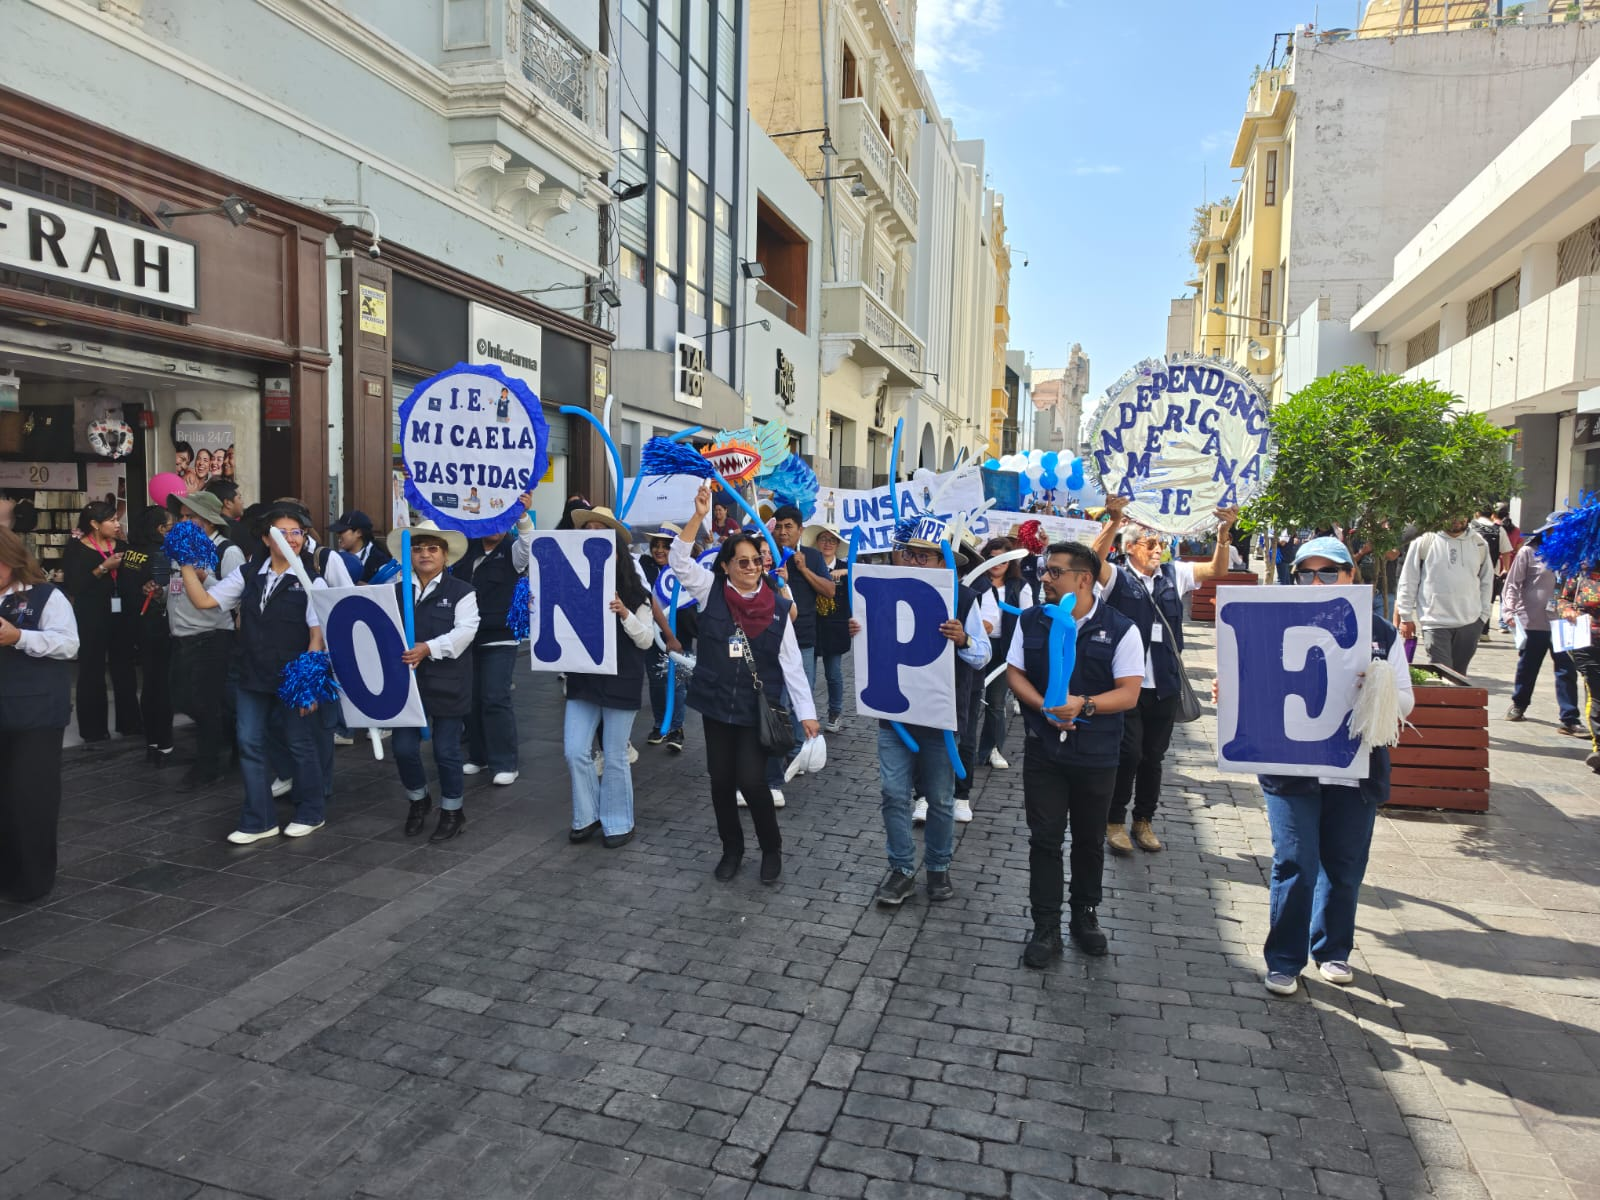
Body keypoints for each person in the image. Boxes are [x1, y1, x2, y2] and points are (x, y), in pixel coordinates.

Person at [1224, 536, 1414, 997]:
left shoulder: (1379, 632)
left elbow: (1404, 703)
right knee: (1295, 861)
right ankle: (1285, 959)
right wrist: (1234, 696)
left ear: (1351, 576)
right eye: (1306, 572)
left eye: (1328, 572)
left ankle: (1332, 950)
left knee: (1344, 864)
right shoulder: (1277, 623)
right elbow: (1252, 679)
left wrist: (1379, 686)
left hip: (1354, 772)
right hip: (1291, 772)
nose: (1316, 581)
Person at [672, 483, 818, 884]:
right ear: (726, 566)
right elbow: (679, 562)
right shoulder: (710, 590)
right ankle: (731, 849)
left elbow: (791, 664)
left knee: (753, 782)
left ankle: (771, 850)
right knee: (721, 782)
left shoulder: (777, 606)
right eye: (742, 562)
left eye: (756, 561)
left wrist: (807, 714)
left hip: (757, 710)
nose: (751, 567)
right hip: (717, 705)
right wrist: (699, 516)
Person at [1006, 540, 1143, 964]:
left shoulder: (1121, 627)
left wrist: (1083, 705)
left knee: (1087, 839)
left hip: (1097, 754)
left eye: (1053, 572)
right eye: (1043, 571)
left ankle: (1085, 915)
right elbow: (1015, 673)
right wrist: (1044, 707)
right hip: (1044, 751)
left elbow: (1130, 693)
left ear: (1083, 579)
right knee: (1044, 839)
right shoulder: (1032, 620)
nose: (1043, 579)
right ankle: (1045, 924)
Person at [852, 519, 990, 907]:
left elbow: (982, 657)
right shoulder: (882, 592)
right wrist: (858, 632)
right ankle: (900, 870)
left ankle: (938, 867)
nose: (915, 561)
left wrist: (962, 639)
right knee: (894, 793)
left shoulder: (963, 598)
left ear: (943, 562)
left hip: (941, 715)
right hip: (894, 714)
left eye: (925, 556)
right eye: (910, 553)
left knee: (941, 799)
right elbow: (869, 644)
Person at [1091, 496, 1238, 855]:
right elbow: (1091, 562)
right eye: (1151, 544)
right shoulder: (1117, 577)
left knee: (1153, 757)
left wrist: (1222, 536)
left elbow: (1216, 571)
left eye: (1162, 544)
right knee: (1129, 754)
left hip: (1165, 684)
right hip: (1127, 685)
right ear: (1131, 548)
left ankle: (1144, 820)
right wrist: (1113, 521)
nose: (1159, 550)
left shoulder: (1175, 574)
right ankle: (1114, 821)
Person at [179, 503, 330, 844]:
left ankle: (312, 811)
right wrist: (185, 562)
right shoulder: (249, 573)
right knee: (249, 742)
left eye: (298, 532)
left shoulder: (311, 579)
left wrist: (308, 682)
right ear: (266, 537)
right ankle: (259, 819)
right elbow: (204, 601)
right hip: (251, 672)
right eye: (283, 532)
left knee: (300, 743)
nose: (292, 539)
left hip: (292, 675)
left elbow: (316, 635)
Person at [563, 528, 657, 849]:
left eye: (608, 550)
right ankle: (586, 817)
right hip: (584, 680)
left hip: (621, 680)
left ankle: (618, 822)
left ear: (619, 554)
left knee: (615, 754)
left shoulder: (636, 594)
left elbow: (646, 639)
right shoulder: (573, 587)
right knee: (575, 749)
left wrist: (625, 613)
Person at [0, 528, 79, 902]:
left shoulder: (46, 596)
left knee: (30, 798)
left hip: (35, 711)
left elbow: (68, 645)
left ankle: (32, 879)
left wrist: (20, 638)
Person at [387, 521, 479, 842]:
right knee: (402, 748)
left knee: (446, 750)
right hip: (407, 684)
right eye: (418, 548)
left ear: (445, 556)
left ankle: (453, 811)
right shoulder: (396, 592)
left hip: (448, 682)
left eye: (432, 548)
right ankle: (418, 800)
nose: (424, 554)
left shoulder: (462, 592)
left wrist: (428, 648)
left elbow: (465, 632)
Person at [166, 491, 247, 789]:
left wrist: (205, 579)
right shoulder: (180, 549)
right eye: (182, 516)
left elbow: (235, 593)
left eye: (191, 516)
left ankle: (209, 764)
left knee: (206, 704)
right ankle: (229, 745)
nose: (184, 522)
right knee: (189, 699)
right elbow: (175, 587)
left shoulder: (227, 550)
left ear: (209, 519)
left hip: (212, 636)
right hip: (182, 635)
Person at [454, 494, 535, 785]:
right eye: (492, 519)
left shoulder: (512, 550)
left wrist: (523, 516)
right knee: (471, 699)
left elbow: (528, 547)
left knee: (495, 697)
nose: (497, 527)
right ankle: (479, 756)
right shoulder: (465, 549)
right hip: (466, 637)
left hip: (499, 636)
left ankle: (505, 762)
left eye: (503, 520)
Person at [61, 501, 140, 744]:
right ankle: (94, 730)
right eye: (112, 520)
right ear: (94, 524)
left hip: (122, 616)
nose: (117, 524)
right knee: (92, 670)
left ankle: (130, 724)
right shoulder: (76, 549)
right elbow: (74, 586)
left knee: (124, 668)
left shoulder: (124, 546)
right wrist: (103, 567)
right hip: (91, 616)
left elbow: (138, 574)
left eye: (117, 520)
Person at [1502, 514, 1582, 734]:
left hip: (1563, 621)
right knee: (1528, 666)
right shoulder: (1529, 552)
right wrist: (1509, 610)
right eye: (1556, 530)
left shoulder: (1573, 555)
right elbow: (1512, 584)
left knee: (1566, 669)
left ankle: (1570, 718)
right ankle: (1519, 704)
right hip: (1533, 619)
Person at [1395, 515, 1493, 676]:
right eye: (1450, 514)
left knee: (1460, 676)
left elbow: (1487, 581)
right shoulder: (1425, 540)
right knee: (1443, 673)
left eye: (1461, 515)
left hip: (1470, 622)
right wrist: (1405, 616)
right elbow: (1409, 578)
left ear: (1467, 517)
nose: (1456, 519)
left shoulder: (1479, 543)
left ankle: (1458, 701)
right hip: (1435, 622)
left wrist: (1483, 615)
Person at [771, 505, 836, 744]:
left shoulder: (813, 556)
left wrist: (804, 569)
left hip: (803, 638)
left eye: (789, 526)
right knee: (777, 697)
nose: (783, 532)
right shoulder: (766, 555)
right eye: (778, 526)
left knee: (802, 696)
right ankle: (778, 745)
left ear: (801, 529)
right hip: (771, 638)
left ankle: (798, 749)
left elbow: (829, 591)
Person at [121, 504, 175, 766]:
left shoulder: (130, 552)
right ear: (159, 529)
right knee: (162, 686)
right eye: (170, 527)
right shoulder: (160, 554)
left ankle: (152, 742)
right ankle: (164, 744)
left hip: (135, 625)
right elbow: (164, 592)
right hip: (158, 627)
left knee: (149, 685)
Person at [638, 526, 695, 752]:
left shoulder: (686, 569)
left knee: (678, 682)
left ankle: (676, 729)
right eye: (656, 545)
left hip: (681, 633)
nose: (659, 550)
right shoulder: (644, 568)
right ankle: (659, 723)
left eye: (665, 546)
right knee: (656, 681)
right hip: (653, 635)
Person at [976, 536, 1031, 772]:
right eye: (992, 557)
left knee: (996, 701)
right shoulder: (974, 583)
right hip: (974, 646)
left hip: (1004, 649)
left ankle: (992, 748)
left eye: (1003, 559)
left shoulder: (1020, 586)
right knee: (967, 699)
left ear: (1011, 563)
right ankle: (962, 747)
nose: (997, 563)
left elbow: (1028, 620)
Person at [803, 523, 850, 733]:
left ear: (838, 544)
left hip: (835, 628)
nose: (827, 544)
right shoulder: (810, 564)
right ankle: (807, 714)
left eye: (832, 540)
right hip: (811, 627)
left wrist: (847, 571)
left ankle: (835, 712)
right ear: (817, 542)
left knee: (833, 674)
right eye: (823, 539)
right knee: (808, 676)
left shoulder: (846, 567)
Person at [1557, 562, 1600, 773]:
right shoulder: (1580, 570)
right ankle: (1599, 749)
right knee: (1596, 692)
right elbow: (1562, 598)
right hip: (1588, 641)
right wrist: (1567, 610)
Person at [330, 511, 393, 582]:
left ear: (359, 533)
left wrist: (365, 588)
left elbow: (390, 589)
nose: (338, 535)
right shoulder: (336, 556)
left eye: (342, 531)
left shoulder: (379, 561)